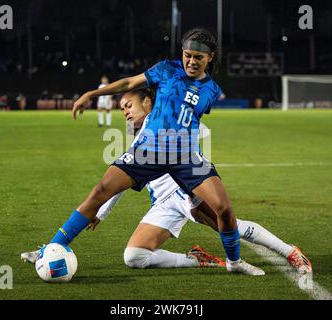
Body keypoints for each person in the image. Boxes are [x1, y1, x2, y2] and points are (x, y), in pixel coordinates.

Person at [23, 28, 263, 275]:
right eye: (187, 55)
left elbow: (190, 119)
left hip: (185, 156)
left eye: (198, 58)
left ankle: (234, 263)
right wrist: (91, 94)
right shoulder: (166, 69)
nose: (191, 61)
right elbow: (129, 83)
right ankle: (52, 246)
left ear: (210, 57)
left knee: (223, 208)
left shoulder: (211, 90)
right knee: (101, 191)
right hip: (149, 150)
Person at [86, 88, 311, 272]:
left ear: (147, 102)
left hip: (185, 192)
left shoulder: (164, 122)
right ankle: (196, 259)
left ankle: (290, 252)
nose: (124, 111)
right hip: (163, 204)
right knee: (134, 256)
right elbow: (121, 182)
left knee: (233, 227)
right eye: (122, 108)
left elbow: (199, 128)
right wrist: (101, 212)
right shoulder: (140, 135)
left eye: (129, 105)